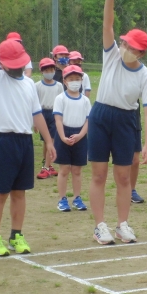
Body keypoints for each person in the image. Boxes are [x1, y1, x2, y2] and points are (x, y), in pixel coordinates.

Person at [0, 22, 56, 256]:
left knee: (20, 192)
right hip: (2, 141)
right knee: (0, 192)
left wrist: (49, 141)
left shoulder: (29, 83)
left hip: (24, 142)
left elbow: (37, 114)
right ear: (2, 64)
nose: (17, 68)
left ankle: (16, 235)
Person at [88, 0, 147, 245]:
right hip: (101, 115)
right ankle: (99, 226)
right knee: (99, 174)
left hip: (127, 120)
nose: (125, 48)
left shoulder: (146, 76)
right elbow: (108, 26)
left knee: (124, 176)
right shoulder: (112, 55)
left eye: (132, 47)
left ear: (141, 54)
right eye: (125, 43)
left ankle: (122, 225)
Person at [54, 64, 91, 212]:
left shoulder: (85, 101)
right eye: (71, 79)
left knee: (77, 170)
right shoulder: (60, 98)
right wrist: (63, 137)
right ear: (65, 81)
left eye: (78, 78)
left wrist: (81, 135)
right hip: (63, 133)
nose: (75, 81)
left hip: (80, 135)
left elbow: (88, 120)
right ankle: (62, 199)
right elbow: (57, 119)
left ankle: (77, 198)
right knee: (64, 170)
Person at [35, 58, 63, 179]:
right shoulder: (37, 86)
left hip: (54, 114)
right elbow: (34, 103)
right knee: (46, 141)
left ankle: (46, 167)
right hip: (42, 114)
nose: (49, 71)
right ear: (42, 71)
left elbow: (62, 101)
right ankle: (48, 164)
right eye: (46, 69)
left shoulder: (59, 86)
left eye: (51, 69)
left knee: (51, 140)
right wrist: (34, 122)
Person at [130, 103, 145, 204]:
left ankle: (132, 190)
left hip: (134, 122)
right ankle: (123, 190)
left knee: (135, 161)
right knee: (122, 162)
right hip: (119, 121)